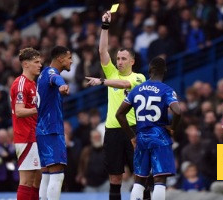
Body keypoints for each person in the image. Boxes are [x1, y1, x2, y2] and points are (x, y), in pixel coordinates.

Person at [85, 10, 146, 200]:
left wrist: (102, 81)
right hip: (112, 130)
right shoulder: (111, 73)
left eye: (123, 59)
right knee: (115, 177)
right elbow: (102, 51)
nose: (119, 62)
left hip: (133, 130)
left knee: (141, 175)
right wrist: (105, 26)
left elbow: (124, 84)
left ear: (132, 61)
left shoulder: (139, 77)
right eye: (118, 58)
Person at [116, 57, 181, 200]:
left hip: (141, 138)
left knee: (139, 180)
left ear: (149, 70)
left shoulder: (136, 90)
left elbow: (119, 114)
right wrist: (172, 128)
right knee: (159, 180)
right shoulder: (166, 90)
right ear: (165, 70)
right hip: (160, 137)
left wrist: (132, 136)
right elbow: (178, 111)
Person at [36, 46, 71, 200]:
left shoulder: (42, 74)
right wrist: (62, 85)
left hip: (42, 130)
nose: (71, 61)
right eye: (69, 58)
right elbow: (55, 78)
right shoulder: (51, 72)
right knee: (57, 175)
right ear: (60, 59)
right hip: (51, 129)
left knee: (46, 175)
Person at [10, 47, 42, 199]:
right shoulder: (21, 84)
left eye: (40, 62)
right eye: (36, 62)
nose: (40, 65)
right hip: (26, 136)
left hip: (34, 135)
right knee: (27, 181)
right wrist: (40, 109)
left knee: (37, 179)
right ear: (25, 64)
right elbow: (19, 111)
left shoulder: (33, 84)